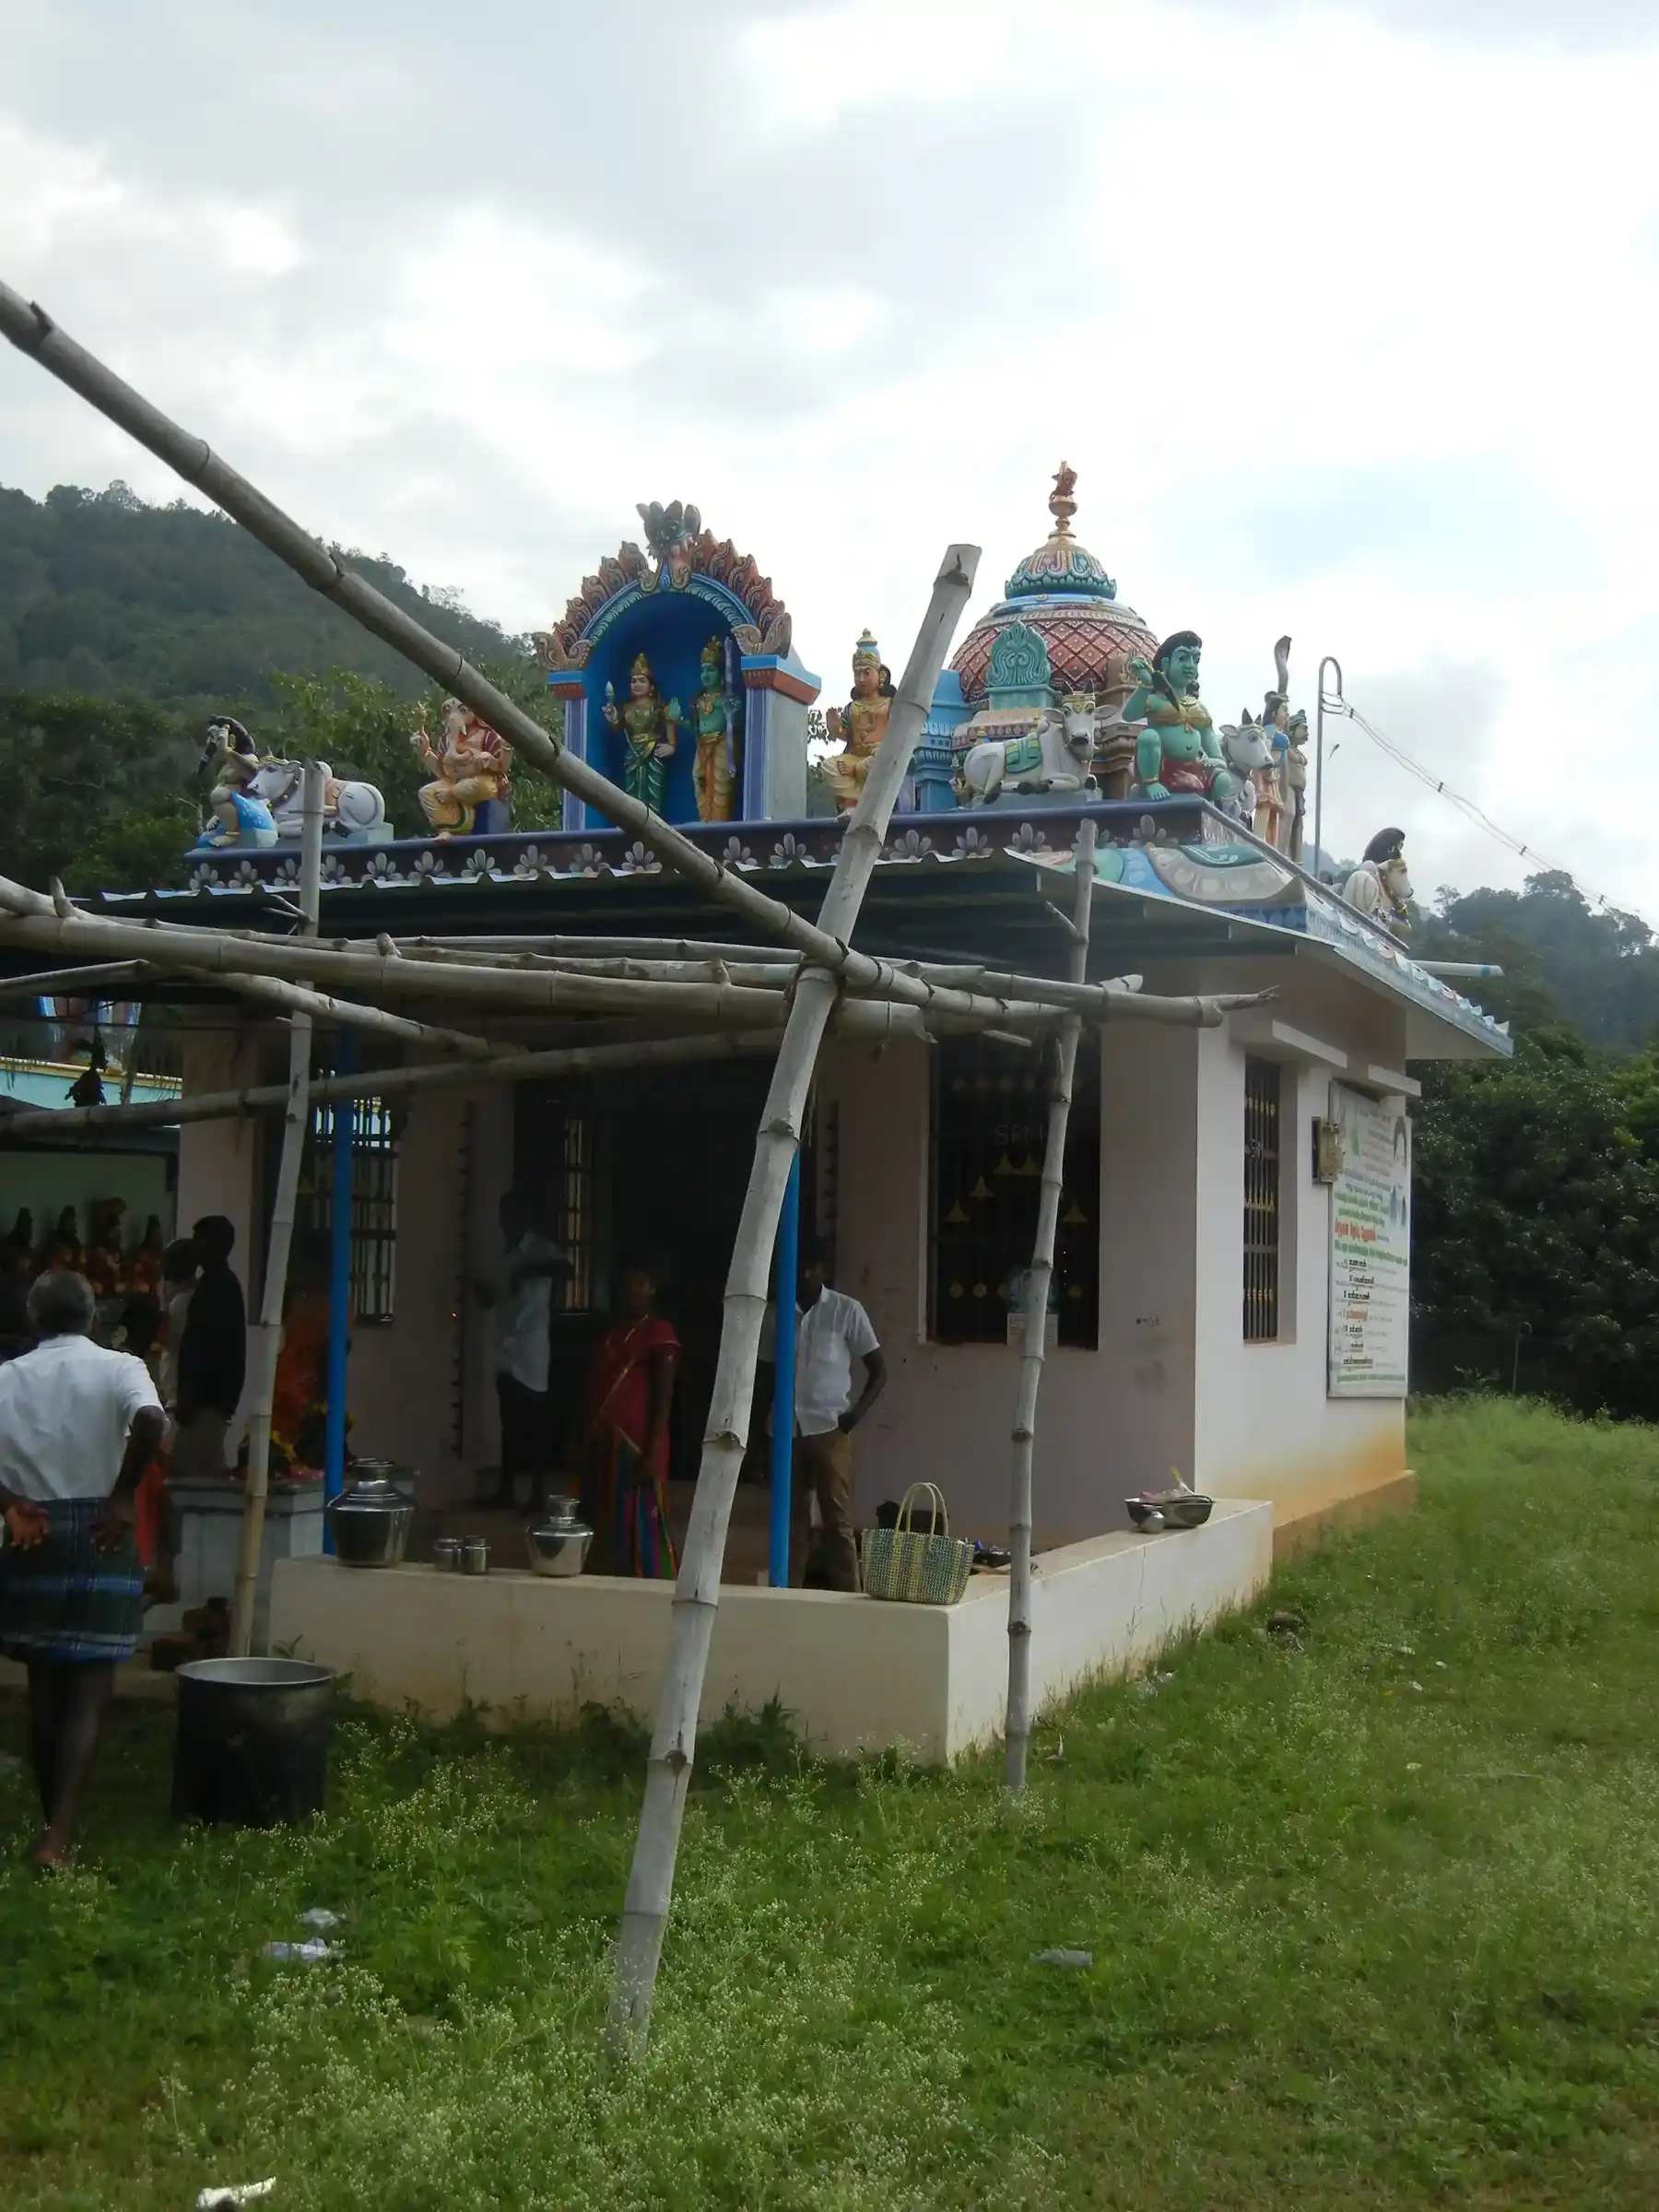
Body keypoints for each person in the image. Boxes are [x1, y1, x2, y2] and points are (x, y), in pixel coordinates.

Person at [0, 1270, 165, 1867]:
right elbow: (151, 1422)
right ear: (94, 1318)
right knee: (89, 1690)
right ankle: (57, 1836)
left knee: (45, 1685)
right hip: (102, 1527)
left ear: (34, 1321)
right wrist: (123, 1496)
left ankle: (50, 1820)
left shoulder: (7, 1377)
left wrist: (8, 1503)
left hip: (33, 1528)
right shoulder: (120, 1368)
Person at [759, 1241, 886, 1592]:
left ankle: (848, 1596)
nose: (804, 1273)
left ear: (824, 1270)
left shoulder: (847, 1310)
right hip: (785, 1429)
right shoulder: (775, 1314)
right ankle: (787, 1595)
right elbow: (766, 1374)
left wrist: (854, 1415)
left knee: (837, 1521)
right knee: (792, 1522)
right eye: (799, 1265)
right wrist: (761, 1430)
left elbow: (879, 1371)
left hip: (831, 1427)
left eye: (811, 1266)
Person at [574, 1258, 680, 1579]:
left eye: (640, 1283)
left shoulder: (658, 1331)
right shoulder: (611, 1334)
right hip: (604, 1439)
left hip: (637, 1442)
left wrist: (654, 1447)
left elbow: (664, 1395)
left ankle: (647, 1582)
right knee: (601, 1515)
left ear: (653, 1289)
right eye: (627, 1284)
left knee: (637, 1517)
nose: (632, 1290)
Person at [474, 1191, 566, 1512]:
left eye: (511, 1214)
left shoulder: (540, 1249)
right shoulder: (502, 1257)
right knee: (509, 1421)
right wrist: (484, 1293)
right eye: (502, 1215)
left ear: (524, 1217)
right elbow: (493, 1298)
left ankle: (539, 1489)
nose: (505, 1222)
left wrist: (526, 1271)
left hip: (531, 1347)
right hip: (505, 1346)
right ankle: (506, 1489)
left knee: (534, 1421)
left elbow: (564, 1269)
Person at [171, 1216, 244, 1481]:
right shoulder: (214, 1284)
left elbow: (205, 1348)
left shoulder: (220, 1287)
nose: (195, 1246)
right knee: (211, 1471)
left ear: (218, 1244)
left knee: (184, 1471)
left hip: (207, 1400)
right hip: (213, 1400)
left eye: (200, 1239)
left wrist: (190, 1393)